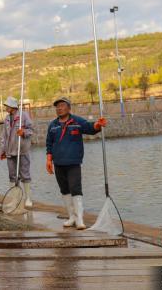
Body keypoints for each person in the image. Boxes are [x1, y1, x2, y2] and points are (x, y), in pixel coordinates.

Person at [45, 96, 107, 230]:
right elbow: (49, 143)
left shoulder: (77, 121)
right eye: (57, 106)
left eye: (62, 105)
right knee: (64, 190)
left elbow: (90, 128)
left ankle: (79, 219)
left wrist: (98, 124)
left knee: (75, 189)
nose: (59, 108)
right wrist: (49, 160)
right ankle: (71, 217)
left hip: (73, 163)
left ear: (69, 108)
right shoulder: (53, 125)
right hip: (58, 163)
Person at [0, 96, 34, 207]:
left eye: (7, 106)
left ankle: (28, 199)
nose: (5, 107)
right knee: (12, 176)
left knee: (25, 175)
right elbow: (4, 136)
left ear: (12, 106)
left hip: (22, 151)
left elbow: (31, 130)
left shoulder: (24, 115)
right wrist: (2, 150)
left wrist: (24, 132)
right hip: (10, 152)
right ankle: (14, 199)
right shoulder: (6, 119)